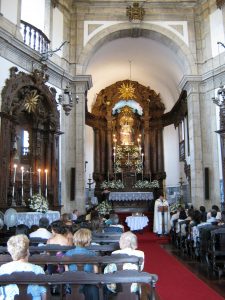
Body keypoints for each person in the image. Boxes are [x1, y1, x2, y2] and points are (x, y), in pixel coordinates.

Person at [0, 234, 46, 299]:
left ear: (10, 251)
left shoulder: (3, 269)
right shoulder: (38, 269)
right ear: (27, 251)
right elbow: (44, 294)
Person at [104, 231, 144, 297]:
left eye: (120, 240)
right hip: (135, 286)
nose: (119, 242)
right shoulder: (141, 253)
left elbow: (109, 271)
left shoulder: (115, 253)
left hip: (117, 287)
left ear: (126, 242)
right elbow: (140, 269)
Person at [65, 228, 99, 300]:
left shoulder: (67, 253)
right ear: (88, 241)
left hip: (72, 283)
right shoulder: (92, 254)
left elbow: (66, 272)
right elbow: (96, 273)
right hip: (88, 283)